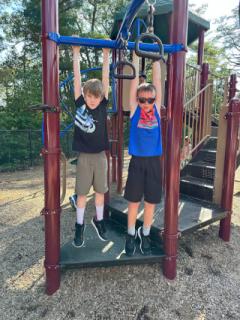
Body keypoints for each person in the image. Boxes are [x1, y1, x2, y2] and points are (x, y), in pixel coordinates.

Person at [124, 52, 163, 256]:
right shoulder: (134, 110)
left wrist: (157, 60)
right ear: (138, 100)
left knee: (151, 201)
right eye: (142, 99)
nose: (146, 103)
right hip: (137, 161)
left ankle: (145, 233)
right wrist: (135, 56)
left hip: (154, 162)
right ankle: (131, 233)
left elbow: (157, 82)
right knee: (133, 200)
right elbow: (133, 85)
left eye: (150, 99)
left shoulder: (156, 109)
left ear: (155, 99)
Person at [71, 44, 110, 248]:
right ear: (85, 96)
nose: (93, 100)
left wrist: (106, 56)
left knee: (101, 191)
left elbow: (105, 81)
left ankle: (99, 220)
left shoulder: (103, 105)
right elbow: (78, 81)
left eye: (96, 96)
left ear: (101, 97)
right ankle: (79, 226)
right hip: (85, 157)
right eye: (89, 96)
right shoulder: (81, 105)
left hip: (100, 156)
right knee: (82, 194)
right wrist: (76, 53)